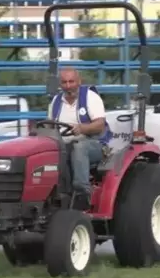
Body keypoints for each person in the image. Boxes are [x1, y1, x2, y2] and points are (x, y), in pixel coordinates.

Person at [47, 68, 112, 209]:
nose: (68, 86)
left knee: (79, 147)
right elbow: (51, 127)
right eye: (64, 82)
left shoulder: (91, 97)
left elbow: (99, 125)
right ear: (60, 84)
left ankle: (82, 193)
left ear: (79, 81)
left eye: (71, 81)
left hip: (95, 145)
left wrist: (82, 128)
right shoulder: (56, 102)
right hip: (66, 146)